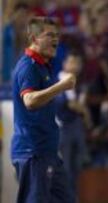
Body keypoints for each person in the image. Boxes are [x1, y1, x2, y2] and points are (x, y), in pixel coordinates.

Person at [11, 17, 76, 203]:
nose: (55, 39)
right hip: (33, 153)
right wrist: (61, 86)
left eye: (56, 35)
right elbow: (30, 101)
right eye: (49, 35)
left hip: (47, 153)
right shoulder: (28, 66)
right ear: (33, 38)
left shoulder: (42, 66)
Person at [55, 52, 92, 197]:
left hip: (75, 126)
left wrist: (83, 110)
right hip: (63, 127)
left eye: (77, 63)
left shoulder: (79, 83)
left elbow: (80, 103)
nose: (74, 66)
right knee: (66, 166)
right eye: (71, 62)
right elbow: (72, 105)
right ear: (65, 64)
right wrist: (86, 113)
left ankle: (71, 197)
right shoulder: (61, 80)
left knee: (76, 166)